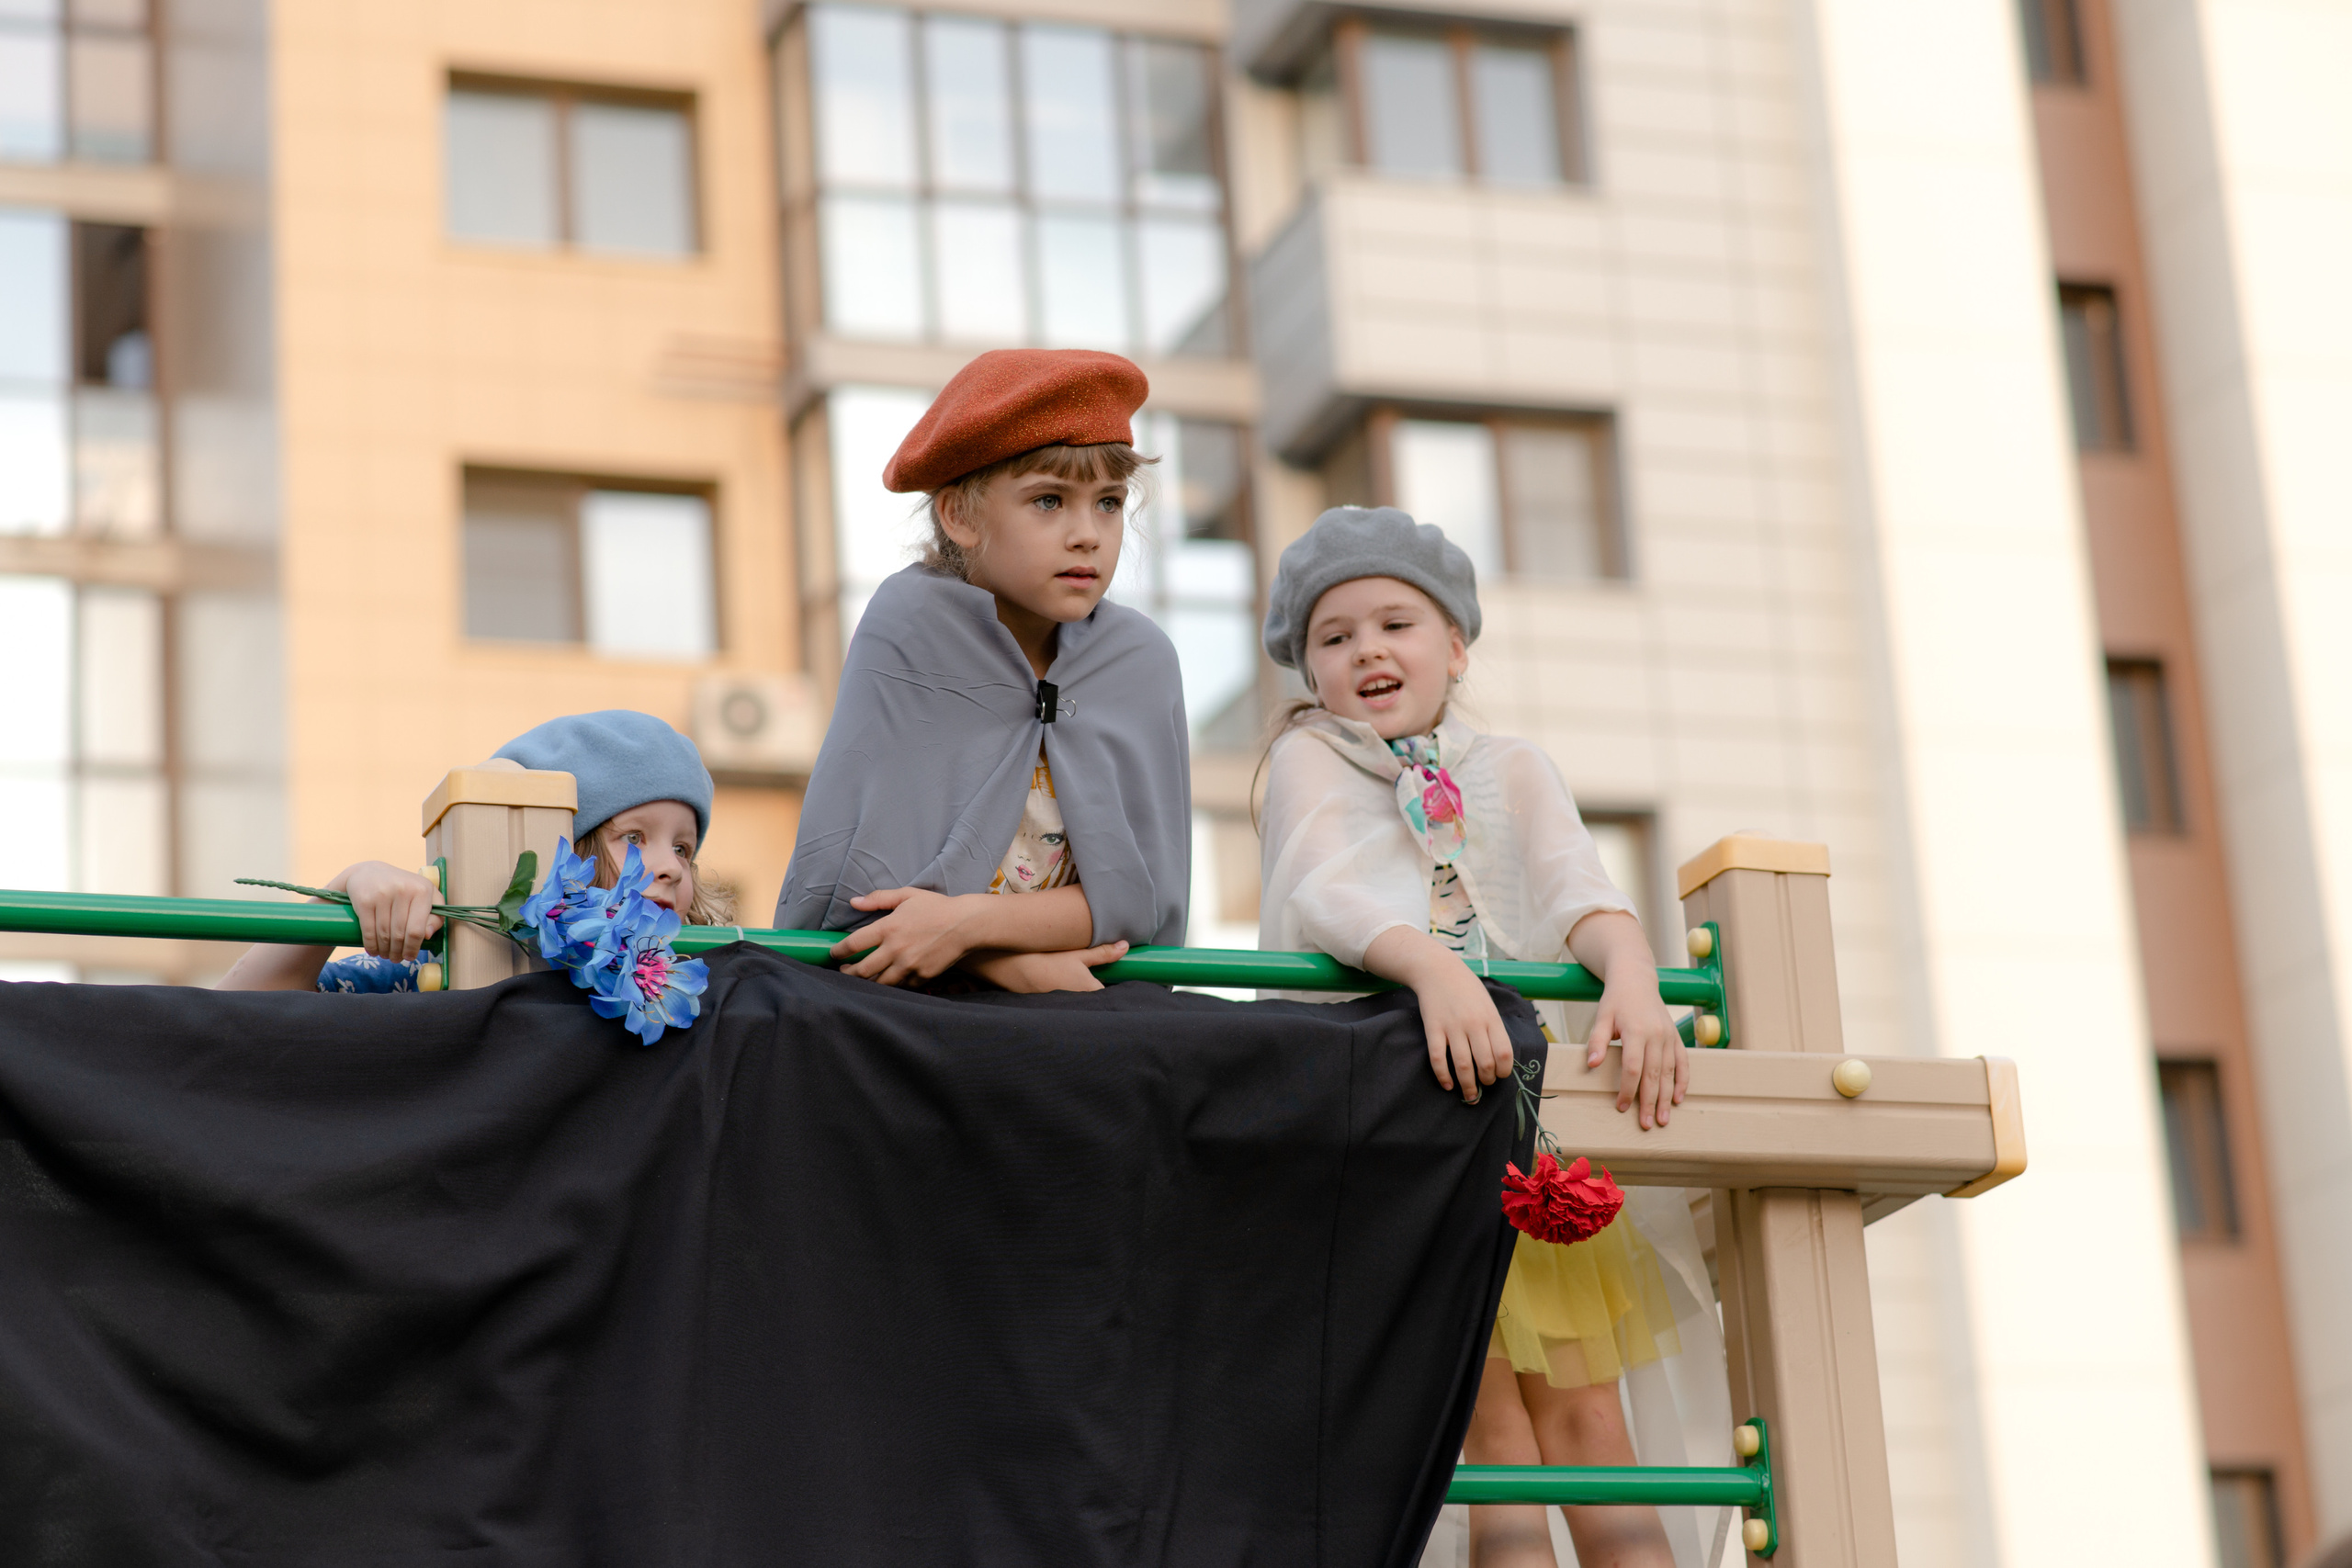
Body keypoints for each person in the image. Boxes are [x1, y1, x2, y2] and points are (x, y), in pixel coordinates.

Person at [1257, 507, 1722, 1568]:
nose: (1368, 649)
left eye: (1396, 623)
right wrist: (1428, 964)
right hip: (1398, 1128)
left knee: (1592, 1430)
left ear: (1455, 646)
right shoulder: (1308, 762)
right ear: (1312, 673)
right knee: (1488, 1435)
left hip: (1522, 1124)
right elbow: (1322, 888)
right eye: (1334, 638)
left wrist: (1637, 981)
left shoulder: (1510, 764)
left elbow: (1578, 891)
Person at [775, 348, 1190, 993]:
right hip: (909, 1010)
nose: (1088, 534)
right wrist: (1016, 966)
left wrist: (970, 923)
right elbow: (861, 902)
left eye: (1109, 502)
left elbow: (1138, 903)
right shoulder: (908, 628)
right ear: (960, 515)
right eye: (1049, 501)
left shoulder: (1141, 662)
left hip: (1088, 1014)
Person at [218, 710, 731, 992]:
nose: (669, 867)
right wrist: (342, 888)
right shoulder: (440, 973)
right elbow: (236, 1016)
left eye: (683, 847)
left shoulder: (689, 985)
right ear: (560, 853)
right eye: (635, 839)